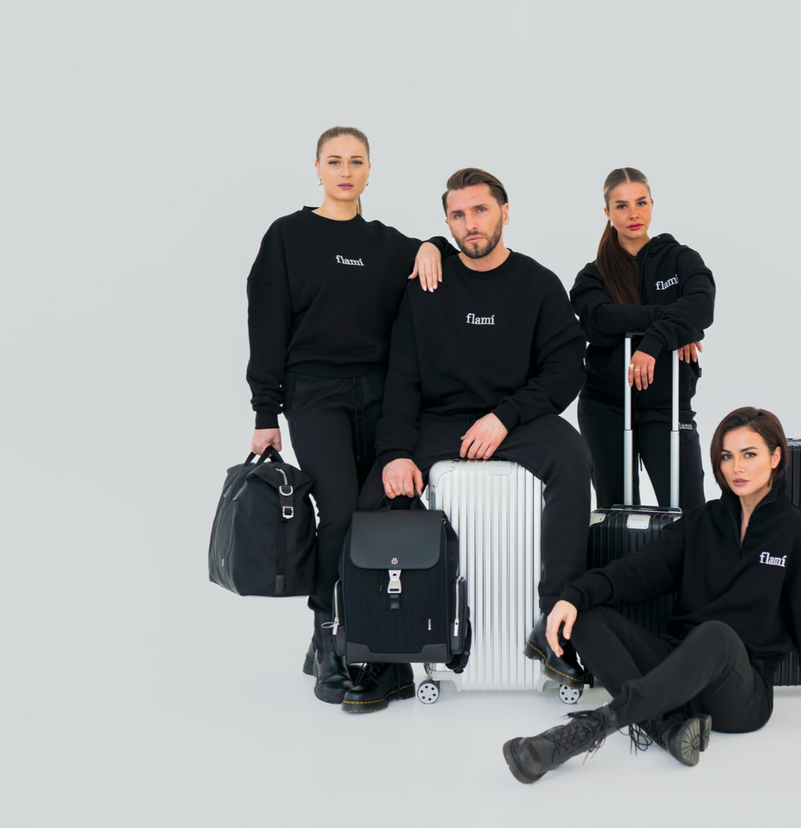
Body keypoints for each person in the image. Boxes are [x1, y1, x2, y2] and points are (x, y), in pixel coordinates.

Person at [501, 407, 801, 784]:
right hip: (675, 670)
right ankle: (666, 728)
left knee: (715, 634)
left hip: (739, 696)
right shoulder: (700, 523)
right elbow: (636, 572)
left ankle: (585, 730)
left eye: (749, 454)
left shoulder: (796, 532)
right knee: (585, 613)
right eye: (727, 456)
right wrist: (572, 597)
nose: (737, 467)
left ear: (776, 457)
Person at [349, 167, 594, 712]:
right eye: (457, 215)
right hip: (440, 421)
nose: (470, 224)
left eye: (480, 210)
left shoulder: (538, 283)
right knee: (376, 494)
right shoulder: (427, 286)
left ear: (505, 211)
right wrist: (395, 453)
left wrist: (505, 416)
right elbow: (402, 379)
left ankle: (556, 629)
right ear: (447, 222)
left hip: (516, 419)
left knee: (573, 461)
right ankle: (387, 660)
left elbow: (564, 369)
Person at [245, 125, 454, 706]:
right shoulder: (287, 236)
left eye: (356, 161)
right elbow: (266, 325)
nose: (345, 171)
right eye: (334, 161)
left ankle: (377, 635)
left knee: (379, 511)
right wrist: (266, 410)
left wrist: (433, 244)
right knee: (338, 512)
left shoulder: (387, 244)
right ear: (317, 169)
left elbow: (439, 251)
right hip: (315, 394)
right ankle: (327, 640)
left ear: (369, 170)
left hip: (382, 394)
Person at [570, 168, 715, 509]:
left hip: (668, 405)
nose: (633, 214)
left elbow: (702, 307)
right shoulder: (593, 275)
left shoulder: (680, 259)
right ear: (607, 212)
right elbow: (598, 320)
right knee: (615, 514)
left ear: (652, 204)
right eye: (621, 206)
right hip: (606, 406)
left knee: (689, 513)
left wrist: (654, 342)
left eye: (640, 203)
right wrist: (675, 322)